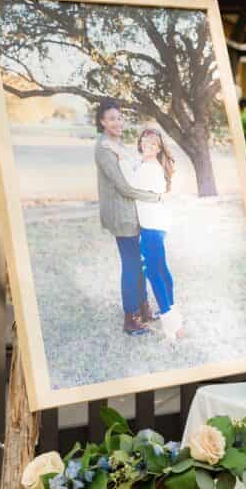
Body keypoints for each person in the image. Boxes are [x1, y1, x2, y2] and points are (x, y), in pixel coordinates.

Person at [93, 100, 161, 336]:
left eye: (119, 117)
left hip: (132, 212)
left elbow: (133, 169)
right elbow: (124, 187)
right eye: (111, 118)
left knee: (138, 262)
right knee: (132, 265)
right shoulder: (103, 148)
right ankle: (130, 318)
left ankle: (143, 309)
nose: (118, 122)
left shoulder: (115, 143)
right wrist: (154, 197)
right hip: (122, 215)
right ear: (102, 121)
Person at [111, 127, 184, 341]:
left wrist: (121, 157)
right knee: (161, 269)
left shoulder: (150, 167)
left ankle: (173, 325)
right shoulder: (148, 164)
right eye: (145, 140)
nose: (147, 145)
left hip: (152, 226)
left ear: (159, 148)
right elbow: (138, 170)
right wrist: (126, 155)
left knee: (153, 273)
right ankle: (173, 312)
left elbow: (131, 184)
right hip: (158, 223)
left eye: (152, 144)